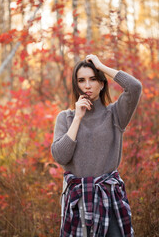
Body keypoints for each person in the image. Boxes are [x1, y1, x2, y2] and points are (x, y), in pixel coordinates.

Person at [51, 54, 142, 237]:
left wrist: (101, 66)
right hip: (78, 202)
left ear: (101, 83)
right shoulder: (66, 118)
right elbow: (60, 157)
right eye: (81, 80)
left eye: (93, 79)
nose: (87, 85)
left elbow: (134, 87)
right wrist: (77, 118)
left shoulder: (115, 115)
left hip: (109, 199)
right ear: (76, 85)